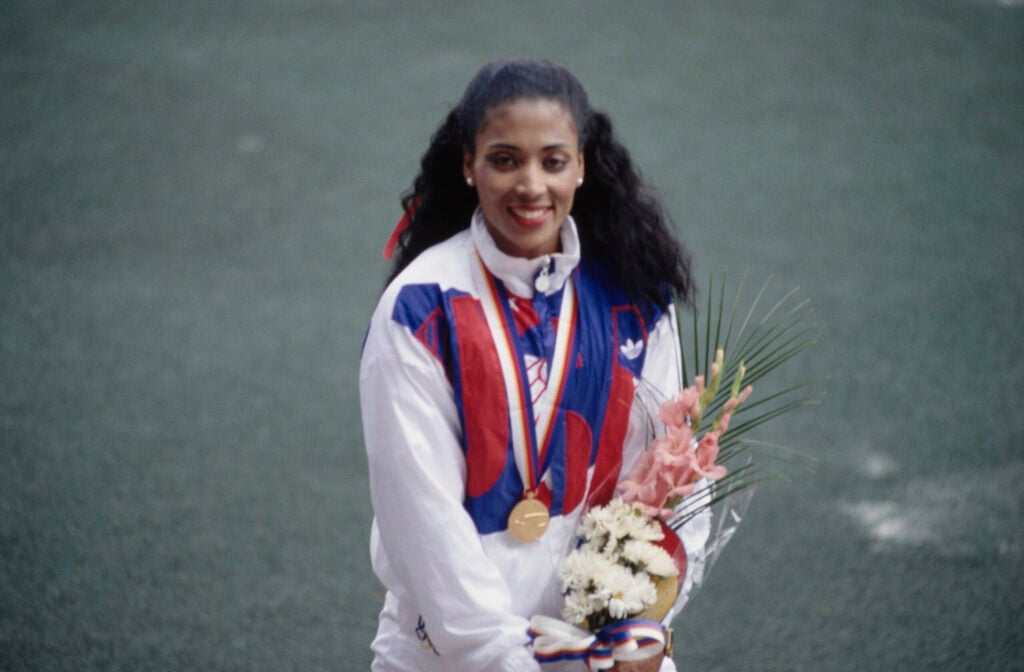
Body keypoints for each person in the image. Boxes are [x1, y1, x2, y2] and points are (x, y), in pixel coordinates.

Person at [360, 58, 694, 672]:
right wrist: (511, 661)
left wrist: (645, 622)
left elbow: (665, 476)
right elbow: (423, 522)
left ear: (582, 165)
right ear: (469, 165)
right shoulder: (420, 309)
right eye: (505, 160)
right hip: (456, 658)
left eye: (553, 161)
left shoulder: (636, 293)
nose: (532, 185)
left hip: (603, 650)